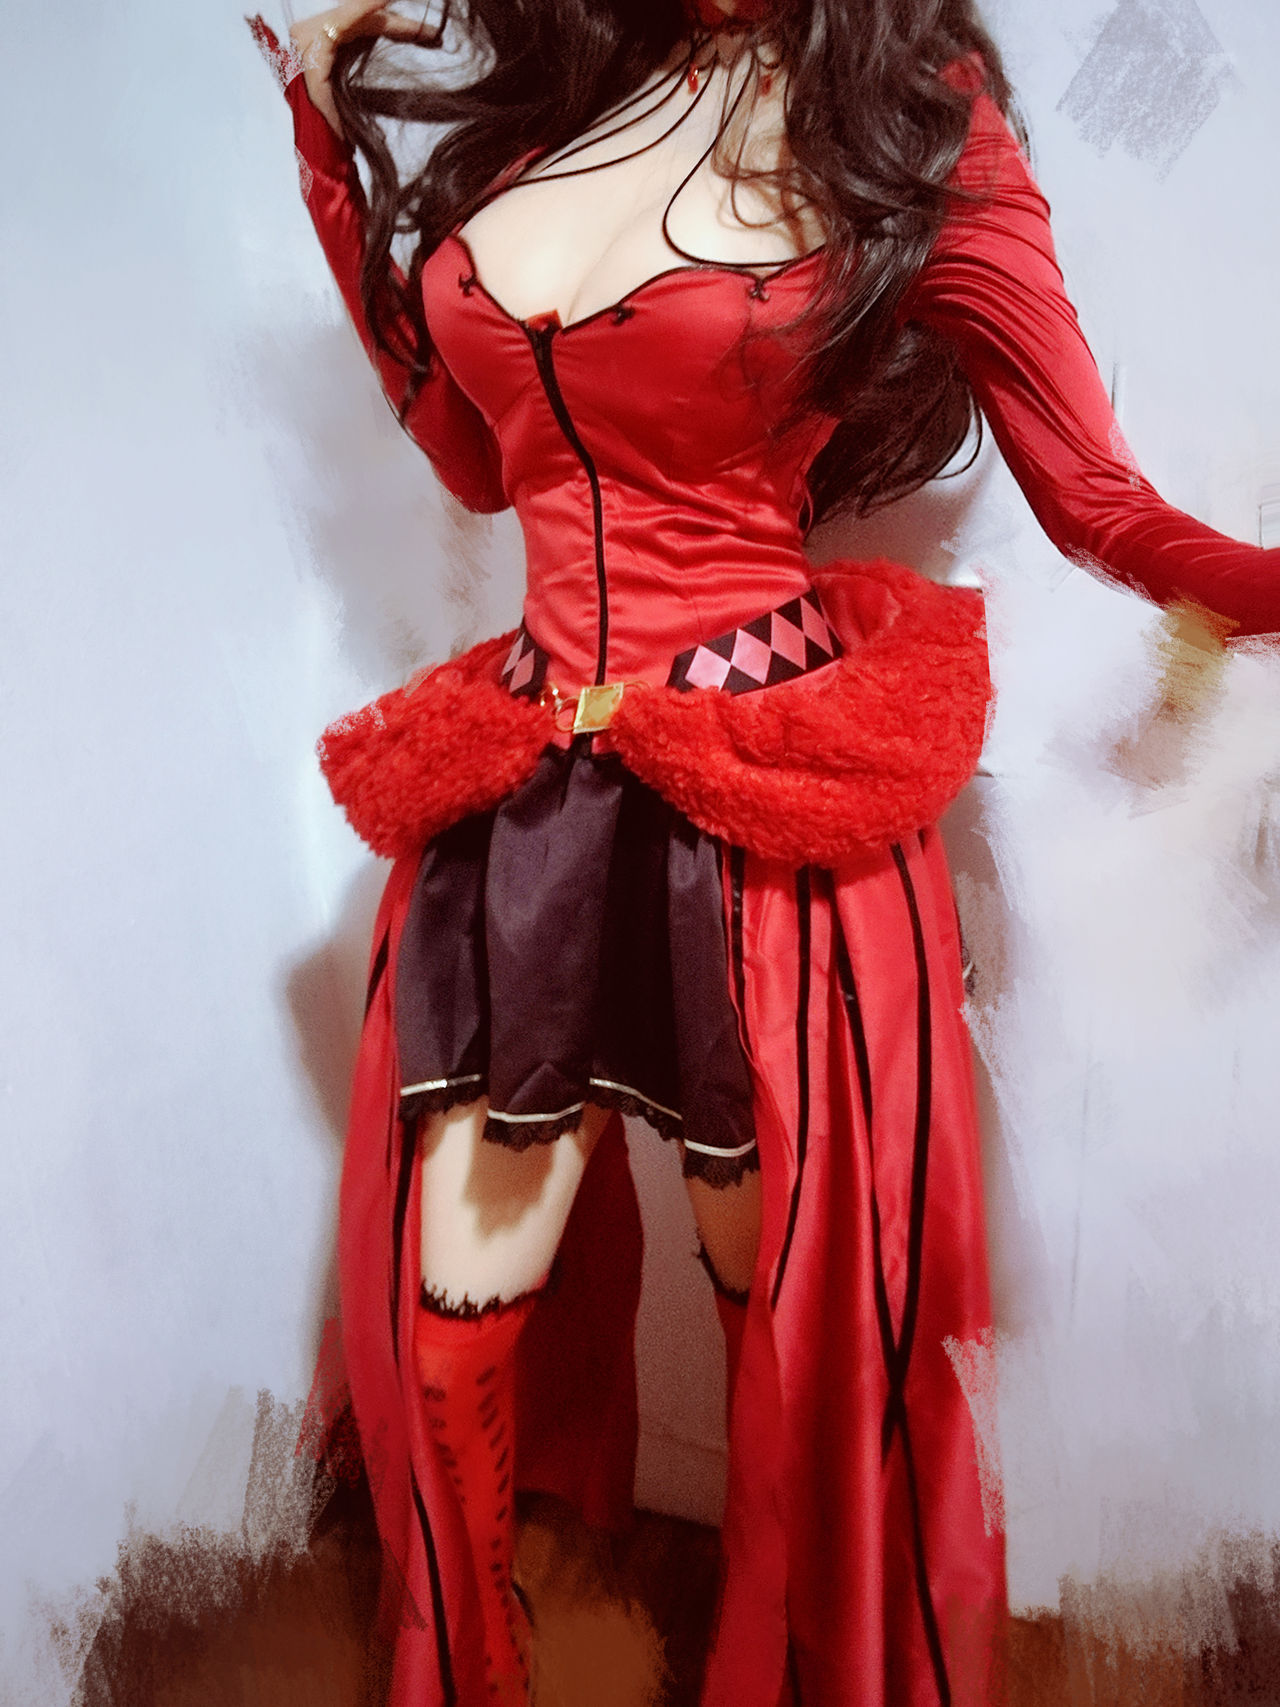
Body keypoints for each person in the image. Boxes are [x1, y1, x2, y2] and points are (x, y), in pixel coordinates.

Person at [245, 2, 1280, 1702]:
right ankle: (468, 1672)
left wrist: (1261, 589)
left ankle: (774, 1670)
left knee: (791, 1336)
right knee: (443, 1325)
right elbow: (470, 454)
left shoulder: (909, 125)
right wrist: (328, 152)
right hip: (528, 789)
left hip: (765, 793)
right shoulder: (560, 119)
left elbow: (1100, 501)